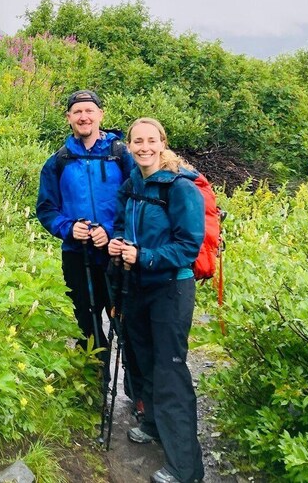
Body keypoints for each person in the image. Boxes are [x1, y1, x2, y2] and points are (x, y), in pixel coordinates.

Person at [108, 117, 205, 483]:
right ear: (129, 146)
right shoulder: (133, 182)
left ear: (162, 143)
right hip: (138, 286)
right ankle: (151, 424)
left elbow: (188, 246)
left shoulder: (181, 188)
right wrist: (119, 245)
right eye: (137, 141)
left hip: (170, 288)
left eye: (151, 140)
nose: (144, 147)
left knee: (170, 371)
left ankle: (186, 467)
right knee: (143, 358)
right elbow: (121, 224)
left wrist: (144, 256)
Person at [36, 89, 141, 406]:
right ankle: (95, 388)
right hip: (77, 255)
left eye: (89, 110)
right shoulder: (58, 162)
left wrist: (110, 233)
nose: (84, 116)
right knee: (88, 321)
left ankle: (139, 396)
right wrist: (70, 228)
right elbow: (47, 209)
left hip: (118, 254)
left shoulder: (122, 155)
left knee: (128, 321)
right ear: (69, 118)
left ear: (100, 115)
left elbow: (138, 202)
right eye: (77, 111)